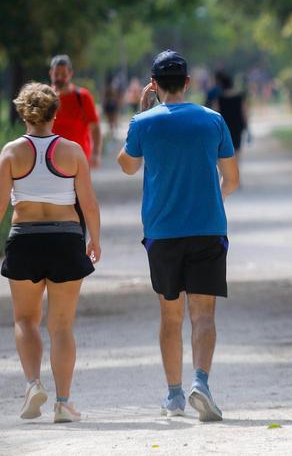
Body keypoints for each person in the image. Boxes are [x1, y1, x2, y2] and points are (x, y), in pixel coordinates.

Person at [117, 50, 240, 422]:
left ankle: (173, 396)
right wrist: (208, 198)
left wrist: (139, 112)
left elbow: (126, 166)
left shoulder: (143, 122)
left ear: (153, 85)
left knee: (170, 315)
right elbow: (232, 179)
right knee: (203, 314)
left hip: (162, 232)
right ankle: (200, 382)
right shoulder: (213, 121)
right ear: (188, 83)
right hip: (207, 228)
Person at [0, 82, 102, 423]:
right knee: (61, 326)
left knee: (25, 320)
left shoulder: (11, 153)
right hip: (66, 239)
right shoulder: (72, 152)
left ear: (22, 113)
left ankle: (32, 385)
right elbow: (88, 202)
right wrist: (95, 240)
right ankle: (63, 402)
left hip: (24, 239)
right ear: (55, 113)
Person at [49, 55, 102, 167]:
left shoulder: (83, 97)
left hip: (78, 161)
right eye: (56, 74)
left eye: (63, 75)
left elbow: (95, 127)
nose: (59, 78)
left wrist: (96, 153)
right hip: (50, 161)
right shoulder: (45, 98)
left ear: (70, 74)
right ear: (50, 73)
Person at [206, 70, 248, 159]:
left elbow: (215, 113)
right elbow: (244, 112)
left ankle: (225, 171)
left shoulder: (219, 98)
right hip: (237, 126)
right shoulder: (240, 96)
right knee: (237, 149)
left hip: (224, 126)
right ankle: (236, 170)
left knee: (224, 150)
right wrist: (246, 126)